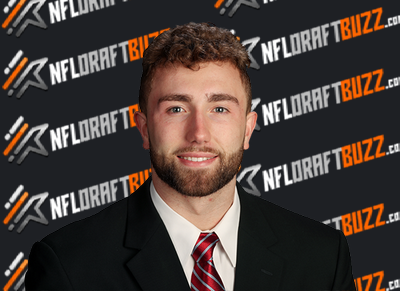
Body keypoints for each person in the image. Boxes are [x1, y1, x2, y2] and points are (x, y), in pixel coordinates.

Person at [26, 22, 356, 291]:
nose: (198, 133)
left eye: (220, 108)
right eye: (176, 108)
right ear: (143, 128)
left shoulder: (323, 258)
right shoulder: (69, 265)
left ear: (247, 129)